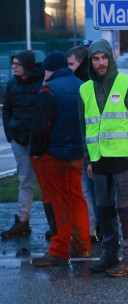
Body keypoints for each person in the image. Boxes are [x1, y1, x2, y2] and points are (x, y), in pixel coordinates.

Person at [80, 39, 128, 277]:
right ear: (90, 62)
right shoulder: (85, 89)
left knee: (126, 208)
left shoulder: (127, 83)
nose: (101, 63)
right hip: (99, 159)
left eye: (104, 58)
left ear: (111, 58)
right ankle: (109, 255)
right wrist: (89, 160)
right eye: (95, 59)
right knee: (104, 208)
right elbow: (85, 127)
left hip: (123, 157)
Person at [28, 52, 92, 266]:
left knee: (59, 202)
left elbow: (40, 127)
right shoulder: (83, 86)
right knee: (77, 199)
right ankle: (82, 247)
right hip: (77, 154)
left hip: (53, 155)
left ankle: (59, 249)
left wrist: (36, 151)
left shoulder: (48, 90)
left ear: (48, 69)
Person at [1, 50, 44, 239]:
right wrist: (10, 133)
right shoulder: (12, 85)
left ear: (27, 65)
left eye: (17, 64)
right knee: (24, 180)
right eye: (13, 64)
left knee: (47, 183)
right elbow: (7, 110)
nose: (14, 67)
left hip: (39, 141)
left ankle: (56, 223)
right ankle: (22, 220)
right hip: (19, 139)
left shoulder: (41, 82)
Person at [67, 44, 99, 243]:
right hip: (85, 146)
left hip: (92, 147)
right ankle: (93, 228)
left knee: (92, 191)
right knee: (89, 191)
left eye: (71, 63)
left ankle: (93, 229)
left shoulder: (83, 85)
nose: (67, 67)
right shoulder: (82, 84)